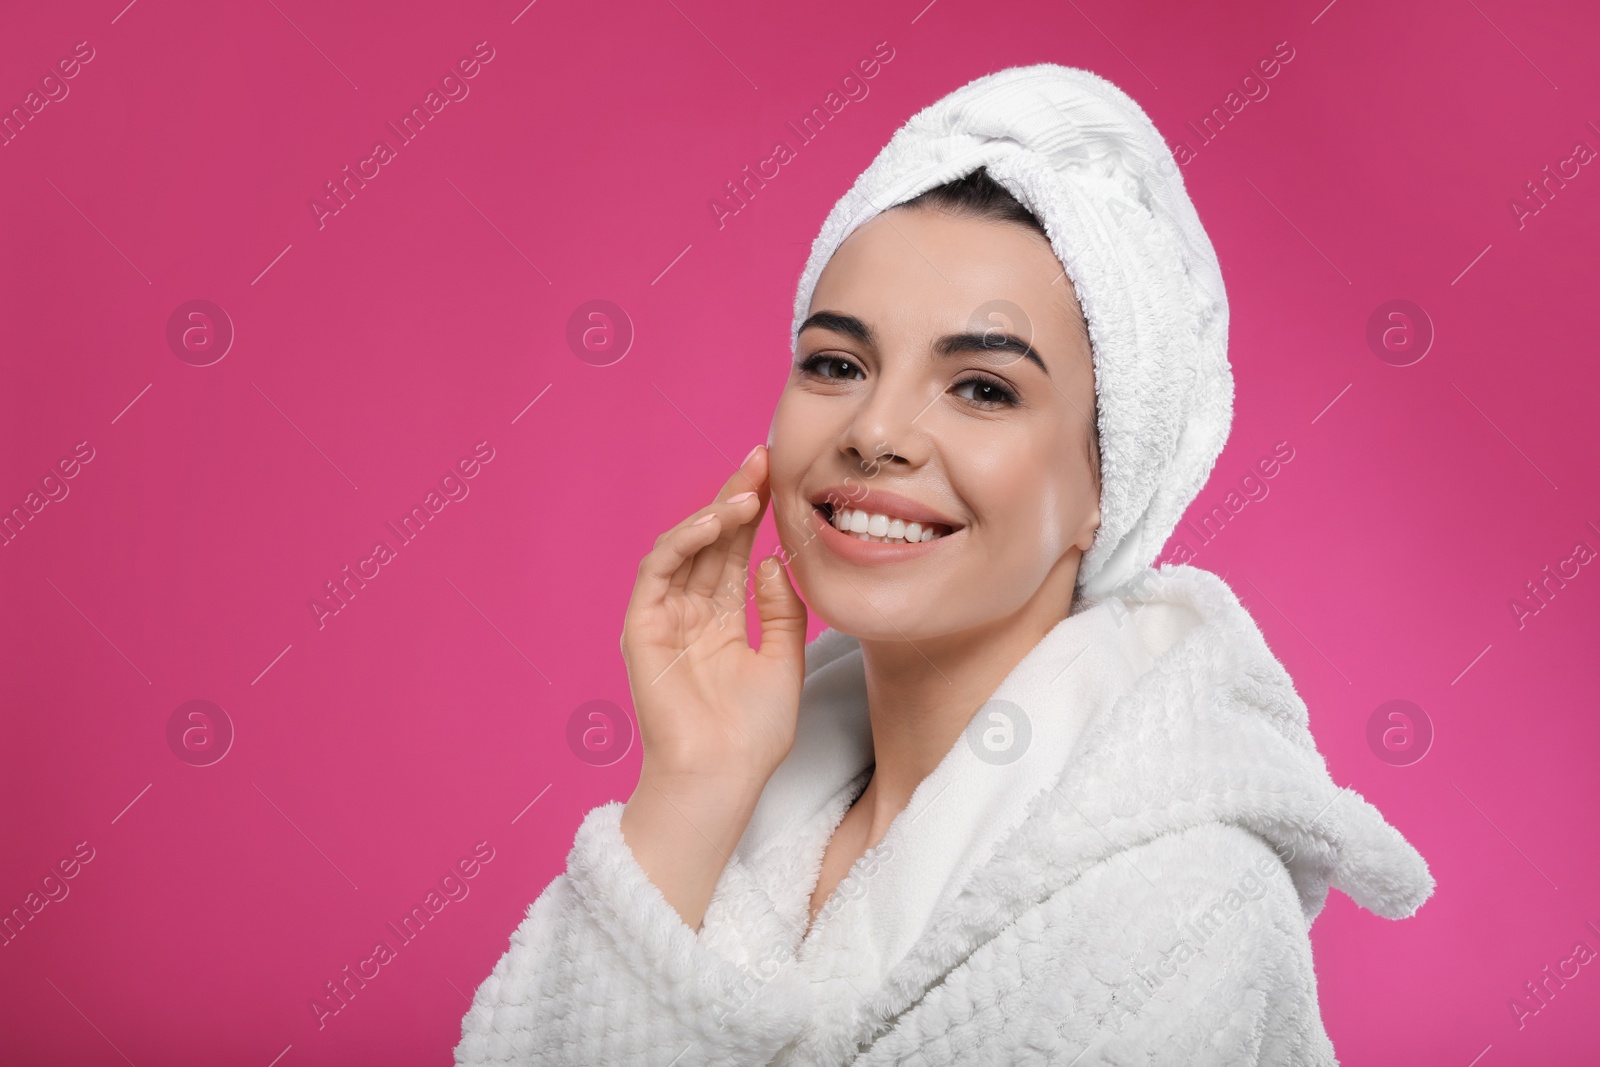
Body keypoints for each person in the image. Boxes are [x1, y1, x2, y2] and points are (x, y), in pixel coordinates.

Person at [455, 63, 1434, 1066]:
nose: (876, 429)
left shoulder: (1183, 914)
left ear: (1110, 477)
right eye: (835, 364)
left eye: (979, 387)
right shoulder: (745, 807)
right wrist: (692, 784)